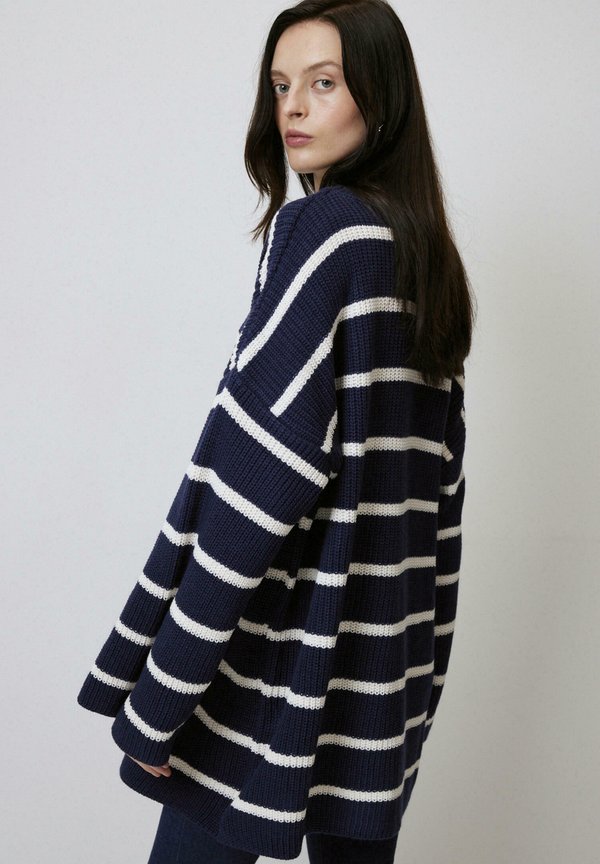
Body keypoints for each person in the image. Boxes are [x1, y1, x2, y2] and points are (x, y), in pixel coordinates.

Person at [76, 1, 475, 861]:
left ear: (382, 96)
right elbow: (439, 508)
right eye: (282, 85)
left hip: (273, 668)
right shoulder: (423, 257)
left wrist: (165, 696)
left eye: (323, 84)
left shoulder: (322, 233)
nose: (292, 107)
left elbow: (254, 488)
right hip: (375, 676)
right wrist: (414, 684)